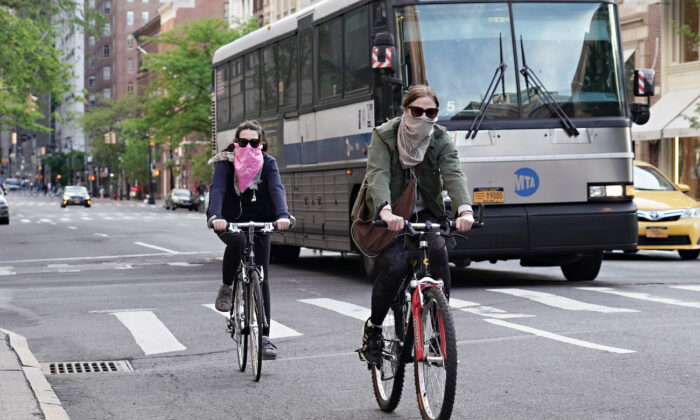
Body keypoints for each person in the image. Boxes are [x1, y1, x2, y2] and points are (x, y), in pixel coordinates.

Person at [354, 85, 475, 364]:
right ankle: (373, 330)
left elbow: (453, 173)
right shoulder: (384, 135)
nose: (423, 117)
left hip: (426, 214)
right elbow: (378, 174)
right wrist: (384, 211)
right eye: (417, 111)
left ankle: (437, 328)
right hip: (390, 214)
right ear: (405, 110)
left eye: (430, 112)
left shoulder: (440, 138)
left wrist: (464, 210)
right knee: (395, 266)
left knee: (439, 254)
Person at [207, 120, 291, 360]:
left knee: (262, 275)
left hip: (261, 221)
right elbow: (218, 191)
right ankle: (226, 287)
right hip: (228, 219)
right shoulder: (225, 163)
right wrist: (216, 216)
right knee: (238, 242)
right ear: (236, 142)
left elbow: (276, 190)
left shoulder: (269, 163)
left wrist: (283, 215)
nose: (248, 146)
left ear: (262, 144)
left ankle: (264, 337)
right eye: (242, 142)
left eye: (254, 142)